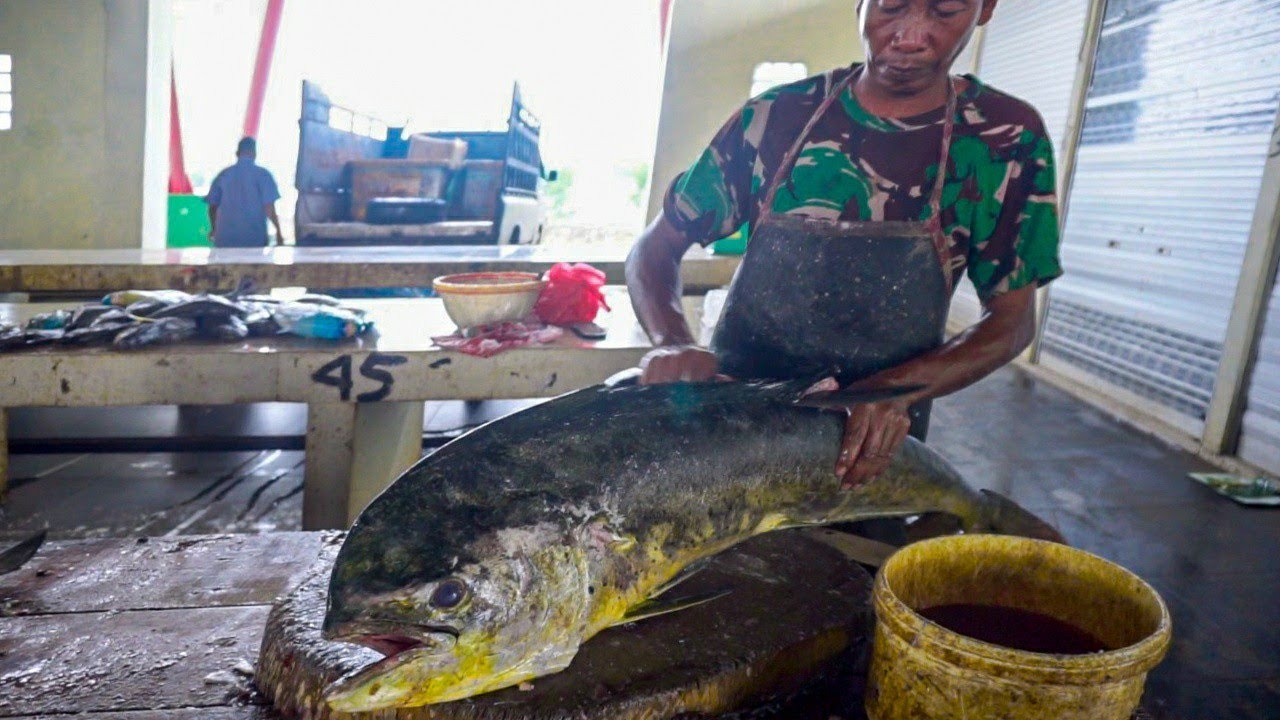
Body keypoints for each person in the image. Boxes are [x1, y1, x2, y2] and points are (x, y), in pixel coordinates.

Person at [627, 0, 1062, 488]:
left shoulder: (1004, 140)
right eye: (891, 6)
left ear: (985, 9)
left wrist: (892, 390)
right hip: (731, 430)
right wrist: (673, 342)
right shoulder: (777, 117)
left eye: (945, 11)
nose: (911, 36)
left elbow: (1010, 322)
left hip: (869, 451)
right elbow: (655, 249)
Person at [205, 137, 285, 247]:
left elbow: (212, 207)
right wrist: (279, 233)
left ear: (237, 153)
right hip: (254, 240)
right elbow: (269, 208)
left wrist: (214, 229)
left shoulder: (223, 175)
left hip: (225, 240)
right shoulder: (263, 175)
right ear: (254, 154)